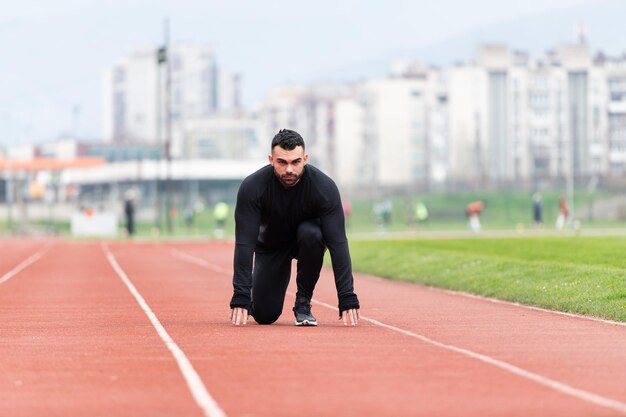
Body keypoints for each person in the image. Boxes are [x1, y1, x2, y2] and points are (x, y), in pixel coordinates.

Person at [229, 129, 360, 327]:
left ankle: (303, 303)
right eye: (282, 162)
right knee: (265, 316)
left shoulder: (324, 188)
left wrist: (347, 297)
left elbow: (338, 243)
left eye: (295, 162)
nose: (289, 169)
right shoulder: (253, 187)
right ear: (271, 159)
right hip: (271, 246)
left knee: (312, 233)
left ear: (305, 159)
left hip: (308, 242)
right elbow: (244, 244)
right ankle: (262, 299)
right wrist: (241, 295)